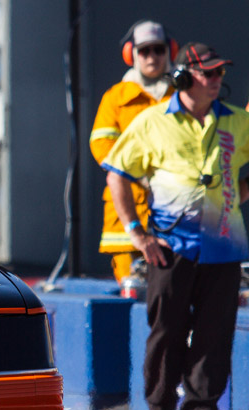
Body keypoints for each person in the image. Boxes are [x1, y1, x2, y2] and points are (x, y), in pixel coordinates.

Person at [103, 42, 249, 410]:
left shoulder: (238, 121)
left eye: (220, 73)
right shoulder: (152, 122)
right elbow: (117, 174)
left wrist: (232, 198)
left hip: (223, 247)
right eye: (208, 73)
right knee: (166, 329)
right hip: (169, 246)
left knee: (215, 332)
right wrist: (137, 233)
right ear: (184, 77)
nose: (217, 80)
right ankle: (159, 409)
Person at [90, 20, 176, 283]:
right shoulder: (115, 97)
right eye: (144, 50)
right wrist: (137, 175)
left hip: (174, 210)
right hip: (127, 213)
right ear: (132, 54)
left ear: (170, 51)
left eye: (158, 49)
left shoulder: (181, 94)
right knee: (132, 289)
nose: (152, 57)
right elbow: (101, 145)